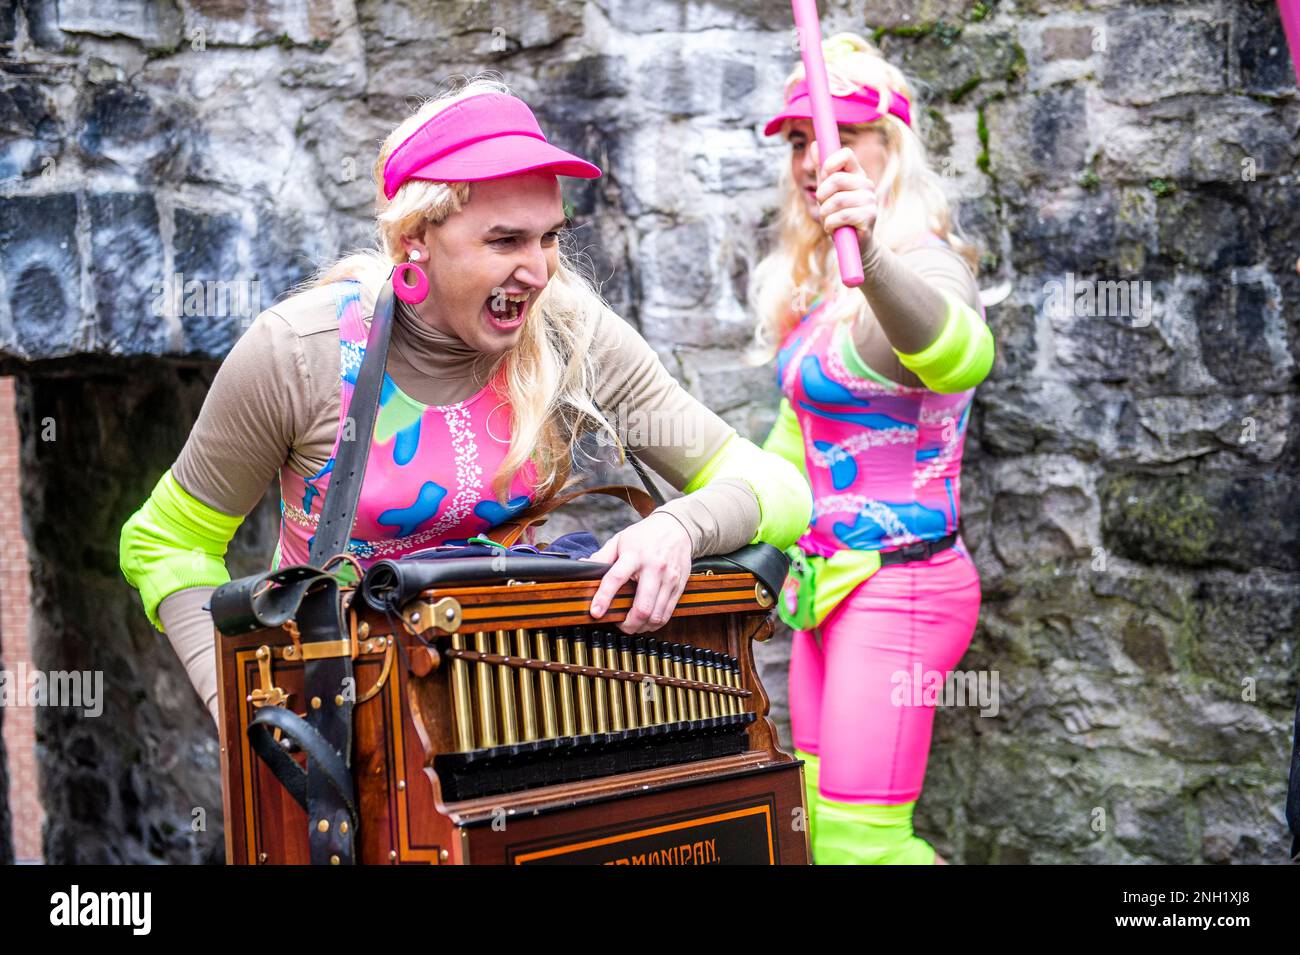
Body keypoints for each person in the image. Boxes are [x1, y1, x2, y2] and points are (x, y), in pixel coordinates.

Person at [120, 76, 811, 725]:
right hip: (346, 729)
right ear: (414, 239)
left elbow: (780, 490)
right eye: (504, 239)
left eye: (549, 237)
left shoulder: (568, 331)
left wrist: (678, 529)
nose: (538, 270)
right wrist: (244, 718)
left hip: (523, 712)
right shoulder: (302, 353)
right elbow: (167, 543)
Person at [752, 34, 994, 864]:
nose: (816, 156)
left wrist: (876, 255)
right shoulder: (818, 282)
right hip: (825, 592)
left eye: (843, 132)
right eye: (799, 140)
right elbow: (795, 443)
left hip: (905, 588)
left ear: (894, 147)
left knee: (863, 842)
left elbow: (959, 351)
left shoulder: (923, 261)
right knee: (811, 822)